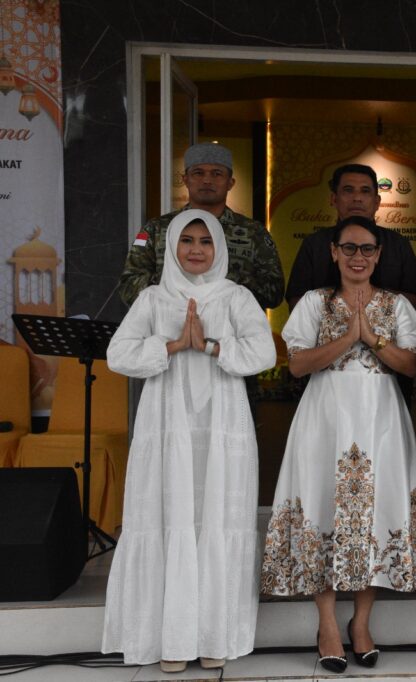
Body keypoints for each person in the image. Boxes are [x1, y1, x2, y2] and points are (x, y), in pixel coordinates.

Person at [102, 209, 277, 672]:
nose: (196, 249)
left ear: (219, 247)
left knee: (217, 516)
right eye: (187, 240)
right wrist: (174, 346)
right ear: (171, 247)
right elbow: (118, 354)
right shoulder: (153, 298)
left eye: (205, 241)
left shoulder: (236, 296)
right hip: (167, 422)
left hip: (222, 422)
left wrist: (212, 346)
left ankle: (213, 635)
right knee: (168, 515)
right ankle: (172, 640)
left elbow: (264, 353)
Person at [261, 215, 416, 674]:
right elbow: (298, 365)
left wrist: (371, 337)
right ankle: (327, 626)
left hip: (381, 420)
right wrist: (348, 338)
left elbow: (411, 365)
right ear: (333, 252)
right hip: (325, 418)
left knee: (376, 511)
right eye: (349, 248)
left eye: (367, 248)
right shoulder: (314, 302)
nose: (359, 257)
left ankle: (361, 622)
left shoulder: (397, 304)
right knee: (322, 508)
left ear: (379, 255)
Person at [118, 142, 285, 310]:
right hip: (168, 323)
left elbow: (274, 294)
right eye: (198, 173)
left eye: (217, 174)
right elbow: (128, 287)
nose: (206, 180)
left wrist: (225, 277)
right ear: (185, 179)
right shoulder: (155, 229)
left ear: (230, 183)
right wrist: (177, 278)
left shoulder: (254, 232)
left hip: (233, 324)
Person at [285, 163, 416, 312]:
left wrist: (371, 297)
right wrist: (341, 309)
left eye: (365, 191)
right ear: (334, 199)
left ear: (377, 202)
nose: (357, 198)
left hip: (387, 328)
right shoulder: (314, 244)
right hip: (324, 327)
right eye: (348, 190)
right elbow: (296, 306)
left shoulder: (397, 243)